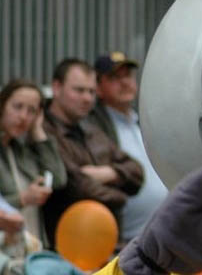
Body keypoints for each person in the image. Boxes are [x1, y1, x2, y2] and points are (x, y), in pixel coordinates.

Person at [42, 58, 143, 243]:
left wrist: (109, 173)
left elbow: (137, 172)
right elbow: (76, 186)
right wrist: (121, 196)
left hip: (108, 243)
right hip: (68, 245)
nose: (87, 98)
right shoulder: (44, 132)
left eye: (91, 91)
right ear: (56, 88)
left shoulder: (91, 130)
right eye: (79, 90)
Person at [88, 52, 168, 243]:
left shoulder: (143, 121)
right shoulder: (94, 127)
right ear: (98, 88)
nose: (125, 82)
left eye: (128, 76)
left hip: (162, 234)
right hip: (123, 240)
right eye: (115, 77)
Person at [0, 80, 66, 247]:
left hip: (31, 243)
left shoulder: (22, 149)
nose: (23, 117)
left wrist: (38, 131)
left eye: (32, 111)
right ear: (1, 106)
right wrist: (23, 199)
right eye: (17, 107)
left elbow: (58, 179)